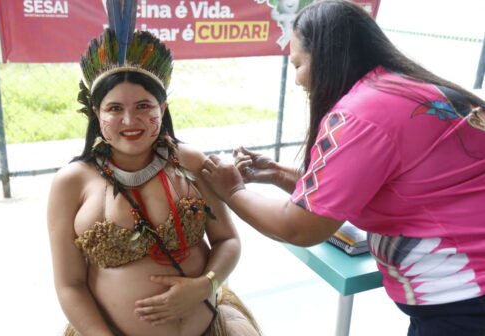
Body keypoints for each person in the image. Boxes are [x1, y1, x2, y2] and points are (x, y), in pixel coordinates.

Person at [200, 1, 485, 335]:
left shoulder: (360, 115)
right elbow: (351, 191)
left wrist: (231, 190)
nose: (298, 80)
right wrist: (278, 174)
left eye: (298, 65)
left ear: (325, 57)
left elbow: (300, 229)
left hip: (464, 302)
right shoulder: (409, 89)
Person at [47, 1, 262, 335]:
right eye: (114, 108)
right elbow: (69, 285)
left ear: (163, 108)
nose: (130, 121)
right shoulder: (72, 182)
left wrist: (206, 286)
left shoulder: (190, 162)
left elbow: (228, 241)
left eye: (144, 106)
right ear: (95, 113)